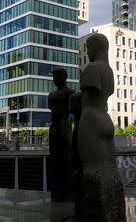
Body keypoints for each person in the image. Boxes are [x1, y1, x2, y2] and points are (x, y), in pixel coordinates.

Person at [77, 33, 126, 221]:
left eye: (88, 48)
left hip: (91, 119)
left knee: (92, 170)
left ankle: (99, 211)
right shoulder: (108, 70)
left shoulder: (92, 69)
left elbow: (86, 91)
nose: (87, 52)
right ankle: (113, 210)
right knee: (108, 168)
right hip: (105, 118)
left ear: (95, 48)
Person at [48, 68, 75, 202]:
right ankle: (57, 190)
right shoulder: (51, 94)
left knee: (65, 158)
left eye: (55, 76)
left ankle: (66, 190)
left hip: (64, 127)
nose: (53, 79)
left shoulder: (70, 93)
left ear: (63, 77)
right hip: (54, 128)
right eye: (53, 77)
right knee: (54, 158)